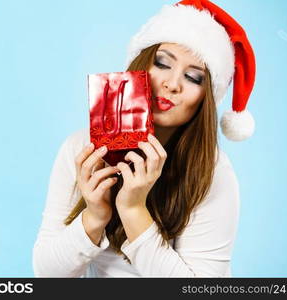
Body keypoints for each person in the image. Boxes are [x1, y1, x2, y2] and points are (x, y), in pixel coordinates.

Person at [33, 0, 256, 277]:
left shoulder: (212, 173)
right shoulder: (82, 149)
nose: (172, 84)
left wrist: (133, 209)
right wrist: (94, 217)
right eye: (162, 63)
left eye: (193, 78)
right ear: (140, 63)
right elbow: (46, 274)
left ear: (205, 99)